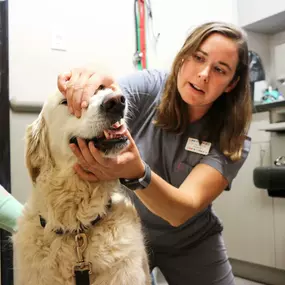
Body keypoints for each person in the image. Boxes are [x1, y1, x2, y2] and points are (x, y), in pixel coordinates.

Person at [57, 21, 252, 285]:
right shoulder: (150, 86)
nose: (204, 73)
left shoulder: (232, 136)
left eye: (220, 69)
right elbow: (110, 92)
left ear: (231, 84)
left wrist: (138, 174)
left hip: (191, 240)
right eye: (198, 57)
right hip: (125, 228)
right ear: (184, 56)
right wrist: (88, 82)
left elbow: (181, 210)